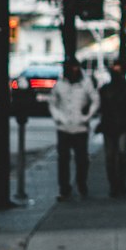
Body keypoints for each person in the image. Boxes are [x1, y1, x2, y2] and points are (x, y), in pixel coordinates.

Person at [48, 57, 98, 201]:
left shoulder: (85, 84)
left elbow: (95, 99)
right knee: (63, 159)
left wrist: (87, 117)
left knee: (81, 159)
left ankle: (81, 183)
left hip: (80, 128)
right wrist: (58, 117)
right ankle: (64, 188)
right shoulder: (60, 85)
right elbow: (53, 103)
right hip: (64, 127)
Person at [97, 59, 126, 197]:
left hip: (119, 125)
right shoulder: (109, 89)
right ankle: (116, 185)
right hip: (116, 124)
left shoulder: (112, 89)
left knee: (118, 155)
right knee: (115, 156)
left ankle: (118, 184)